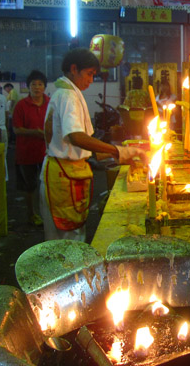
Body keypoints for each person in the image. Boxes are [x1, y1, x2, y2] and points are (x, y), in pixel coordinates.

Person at [40, 48, 148, 241]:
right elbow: (75, 136)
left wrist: (126, 153)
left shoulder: (70, 93)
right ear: (74, 69)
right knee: (66, 242)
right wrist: (118, 150)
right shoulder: (67, 96)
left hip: (69, 171)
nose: (91, 80)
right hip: (63, 173)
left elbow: (86, 150)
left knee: (73, 238)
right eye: (89, 74)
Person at [13, 70, 49, 226]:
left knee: (47, 184)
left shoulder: (50, 103)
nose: (37, 87)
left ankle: (48, 214)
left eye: (40, 84)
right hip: (26, 152)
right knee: (30, 186)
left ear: (44, 87)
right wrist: (35, 132)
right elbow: (16, 129)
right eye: (33, 84)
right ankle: (31, 214)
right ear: (28, 87)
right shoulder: (21, 105)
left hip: (46, 152)